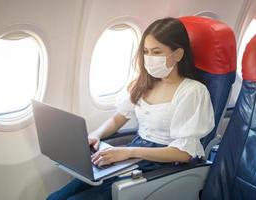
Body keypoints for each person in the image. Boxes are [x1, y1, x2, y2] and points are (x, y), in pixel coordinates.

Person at [47, 17, 215, 200]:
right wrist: (95, 135)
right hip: (135, 154)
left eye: (156, 52)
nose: (149, 58)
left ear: (177, 54)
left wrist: (128, 152)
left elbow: (184, 153)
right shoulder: (144, 82)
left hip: (164, 164)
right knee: (57, 197)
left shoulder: (192, 91)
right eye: (145, 51)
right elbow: (118, 118)